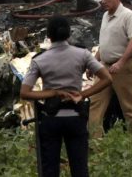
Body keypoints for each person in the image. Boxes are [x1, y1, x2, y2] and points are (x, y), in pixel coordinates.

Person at [20, 16, 112, 177]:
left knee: (50, 169)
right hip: (76, 117)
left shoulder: (39, 60)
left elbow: (25, 92)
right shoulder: (83, 54)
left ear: (49, 36)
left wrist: (52, 93)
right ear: (69, 34)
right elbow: (107, 78)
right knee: (80, 168)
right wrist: (83, 94)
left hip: (51, 119)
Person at [88, 0, 132, 135]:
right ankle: (95, 141)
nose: (103, 1)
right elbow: (104, 44)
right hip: (105, 66)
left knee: (129, 106)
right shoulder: (106, 16)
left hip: (123, 67)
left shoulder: (128, 15)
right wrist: (93, 62)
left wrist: (121, 62)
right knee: (95, 103)